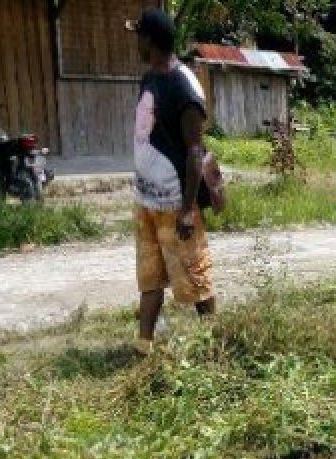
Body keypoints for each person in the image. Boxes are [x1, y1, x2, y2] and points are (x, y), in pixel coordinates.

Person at [128, 8, 215, 356]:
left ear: (150, 40)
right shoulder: (149, 78)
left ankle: (214, 342)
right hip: (146, 201)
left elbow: (195, 152)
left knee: (195, 277)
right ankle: (143, 346)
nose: (136, 42)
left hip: (176, 203)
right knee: (149, 279)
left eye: (138, 36)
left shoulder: (184, 86)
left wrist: (186, 211)